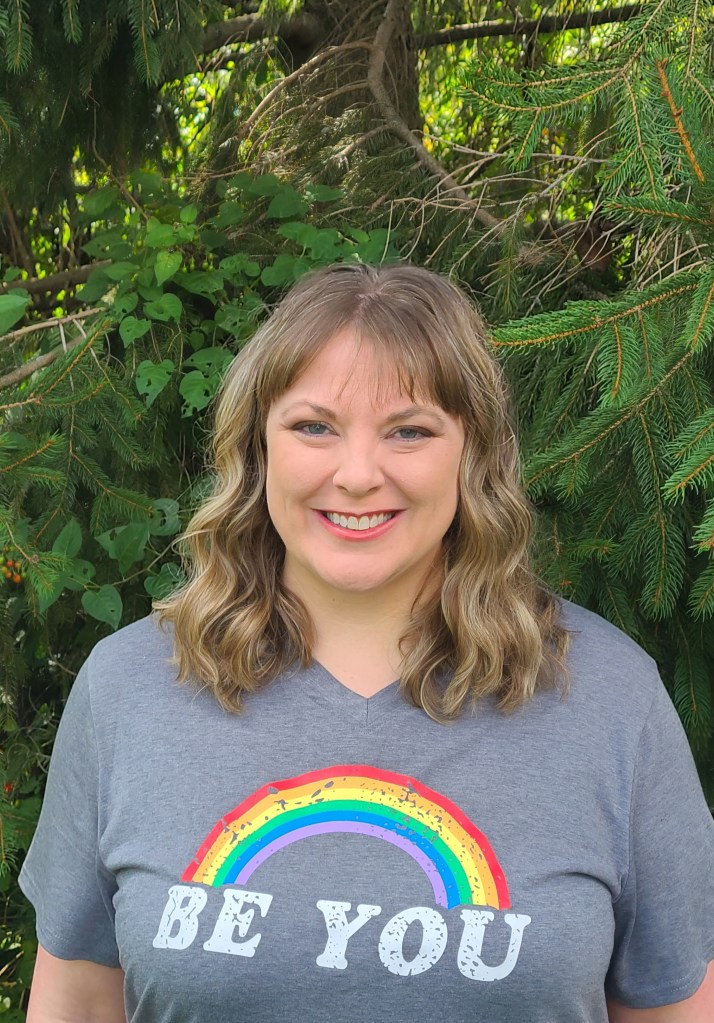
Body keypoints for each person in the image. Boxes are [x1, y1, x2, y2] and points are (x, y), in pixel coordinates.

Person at [20, 263, 714, 1023]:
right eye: (314, 426)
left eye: (409, 431)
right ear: (259, 445)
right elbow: (79, 1005)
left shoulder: (612, 701)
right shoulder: (128, 690)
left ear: (471, 453)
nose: (356, 474)